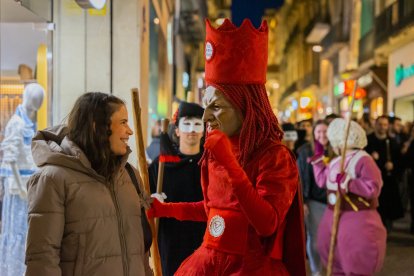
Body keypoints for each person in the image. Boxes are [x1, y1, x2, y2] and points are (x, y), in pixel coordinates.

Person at [148, 19, 305, 275]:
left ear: (247, 108)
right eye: (206, 106)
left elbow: (267, 224)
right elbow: (212, 211)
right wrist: (166, 210)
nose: (206, 117)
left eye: (217, 107)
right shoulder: (213, 154)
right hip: (207, 263)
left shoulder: (274, 157)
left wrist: (231, 165)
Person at [25, 92, 152, 275]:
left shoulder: (130, 176)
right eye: (123, 122)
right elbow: (42, 260)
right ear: (96, 126)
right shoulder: (52, 179)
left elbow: (140, 254)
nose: (130, 131)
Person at [311, 118, 386, 275]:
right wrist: (318, 163)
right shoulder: (337, 160)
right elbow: (323, 181)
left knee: (354, 259)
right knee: (335, 262)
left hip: (355, 217)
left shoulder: (363, 159)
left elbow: (373, 186)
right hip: (333, 217)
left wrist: (350, 183)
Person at [148, 102, 206, 276]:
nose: (192, 130)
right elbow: (143, 200)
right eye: (187, 124)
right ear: (177, 130)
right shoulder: (161, 165)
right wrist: (150, 198)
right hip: (171, 243)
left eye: (197, 124)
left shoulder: (211, 164)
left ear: (203, 130)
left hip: (204, 243)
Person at [0, 83, 44, 276]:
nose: (39, 102)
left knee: (26, 233)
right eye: (37, 98)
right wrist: (20, 187)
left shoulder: (29, 122)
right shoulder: (16, 124)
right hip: (18, 190)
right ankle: (14, 271)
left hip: (27, 187)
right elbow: (10, 161)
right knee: (17, 233)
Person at [296, 120, 330, 276]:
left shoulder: (336, 150)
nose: (322, 135)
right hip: (314, 200)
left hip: (333, 201)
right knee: (315, 238)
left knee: (333, 237)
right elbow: (300, 177)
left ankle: (331, 268)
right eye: (319, 132)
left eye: (325, 131)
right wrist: (303, 200)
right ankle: (317, 271)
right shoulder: (305, 151)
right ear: (314, 134)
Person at [365, 115, 404, 230]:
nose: (382, 127)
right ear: (375, 125)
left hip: (387, 181)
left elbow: (399, 161)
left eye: (385, 125)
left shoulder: (391, 142)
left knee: (388, 209)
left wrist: (393, 166)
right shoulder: (368, 141)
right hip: (371, 181)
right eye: (380, 124)